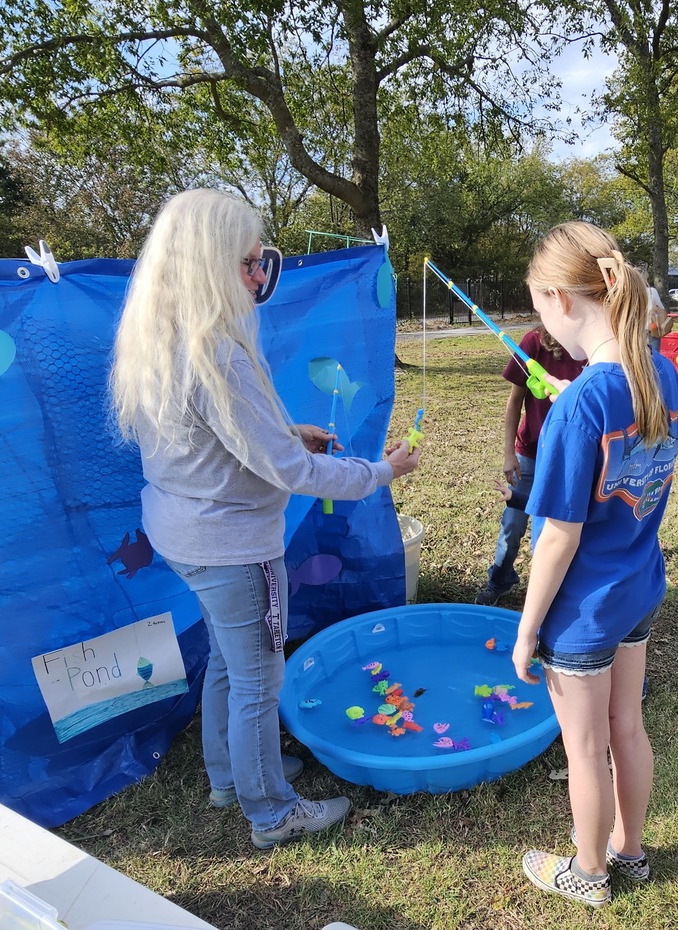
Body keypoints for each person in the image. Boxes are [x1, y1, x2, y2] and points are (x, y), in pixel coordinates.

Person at [109, 189, 421, 850]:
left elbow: (225, 437)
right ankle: (271, 810)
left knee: (230, 661)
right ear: (206, 266)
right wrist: (382, 473)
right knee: (259, 680)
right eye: (248, 263)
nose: (259, 277)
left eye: (262, 261)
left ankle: (232, 775)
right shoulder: (218, 352)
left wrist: (284, 430)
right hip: (235, 547)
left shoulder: (163, 338)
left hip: (186, 535)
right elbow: (294, 473)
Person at [511, 222, 678, 906]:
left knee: (586, 749)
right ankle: (630, 853)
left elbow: (557, 537)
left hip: (583, 614)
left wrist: (527, 631)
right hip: (636, 590)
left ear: (558, 298)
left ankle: (589, 873)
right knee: (627, 728)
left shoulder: (582, 404)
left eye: (537, 305)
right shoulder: (662, 373)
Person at [475, 326, 584, 606]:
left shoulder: (591, 348)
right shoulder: (533, 343)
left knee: (561, 528)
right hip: (531, 454)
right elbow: (514, 401)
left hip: (569, 456)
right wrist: (508, 452)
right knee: (512, 524)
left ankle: (557, 587)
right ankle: (500, 579)